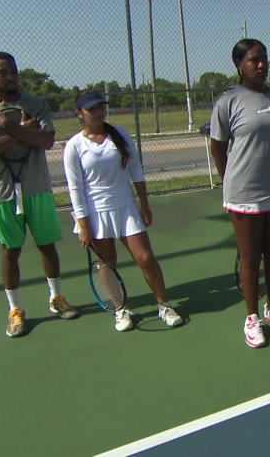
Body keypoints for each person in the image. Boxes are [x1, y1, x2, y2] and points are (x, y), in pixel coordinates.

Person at [0, 51, 79, 338]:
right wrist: (15, 131)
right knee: (10, 251)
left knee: (47, 245)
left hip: (37, 188)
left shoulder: (36, 105)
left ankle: (56, 298)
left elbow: (46, 141)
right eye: (2, 72)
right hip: (4, 193)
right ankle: (15, 310)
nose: (10, 76)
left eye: (13, 71)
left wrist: (8, 127)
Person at [63, 91, 184, 332]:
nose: (98, 112)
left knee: (145, 258)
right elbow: (74, 188)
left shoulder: (120, 134)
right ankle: (120, 310)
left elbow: (136, 170)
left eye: (100, 107)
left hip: (126, 206)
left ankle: (164, 305)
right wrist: (84, 226)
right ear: (79, 113)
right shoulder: (74, 146)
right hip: (95, 212)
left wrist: (144, 204)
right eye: (91, 109)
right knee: (107, 265)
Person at [209, 39, 270, 348]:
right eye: (253, 60)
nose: (261, 65)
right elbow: (218, 147)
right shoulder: (228, 102)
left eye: (264, 59)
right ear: (239, 65)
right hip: (243, 192)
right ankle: (252, 318)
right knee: (250, 256)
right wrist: (230, 182)